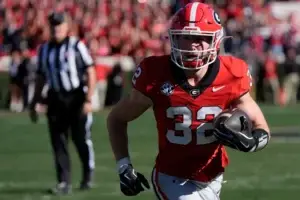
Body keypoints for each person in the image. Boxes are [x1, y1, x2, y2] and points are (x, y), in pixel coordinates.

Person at [107, 2, 271, 200]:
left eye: (202, 38)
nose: (194, 45)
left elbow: (262, 127)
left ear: (216, 41)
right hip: (171, 177)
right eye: (186, 37)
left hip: (213, 176)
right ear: (173, 38)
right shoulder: (154, 75)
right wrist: (123, 166)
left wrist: (252, 142)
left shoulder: (232, 74)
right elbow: (116, 118)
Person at [29, 12, 96, 195]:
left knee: (80, 139)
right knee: (58, 142)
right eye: (53, 25)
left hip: (76, 98)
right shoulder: (44, 50)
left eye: (59, 25)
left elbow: (90, 71)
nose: (56, 28)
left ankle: (87, 175)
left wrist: (89, 99)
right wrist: (34, 101)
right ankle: (63, 181)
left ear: (67, 27)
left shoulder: (76, 46)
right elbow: (41, 77)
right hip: (56, 99)